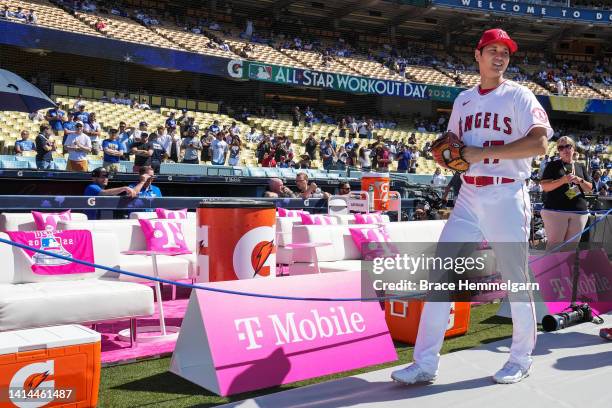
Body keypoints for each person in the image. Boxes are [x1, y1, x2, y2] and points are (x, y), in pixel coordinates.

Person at [391, 28, 551, 386]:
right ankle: (424, 364)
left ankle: (521, 358)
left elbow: (540, 144)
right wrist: (452, 158)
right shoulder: (463, 100)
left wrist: (484, 153)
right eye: (492, 50)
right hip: (469, 195)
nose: (499, 56)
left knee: (515, 278)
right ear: (477, 55)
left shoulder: (519, 96)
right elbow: (456, 149)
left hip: (507, 193)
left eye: (505, 52)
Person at [540, 136, 592, 251]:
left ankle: (567, 270)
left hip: (579, 212)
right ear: (558, 150)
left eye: (567, 146)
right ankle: (551, 269)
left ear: (573, 148)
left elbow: (589, 188)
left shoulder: (580, 166)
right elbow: (545, 186)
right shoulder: (553, 165)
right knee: (554, 248)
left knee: (571, 249)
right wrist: (562, 180)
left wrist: (580, 180)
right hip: (556, 211)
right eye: (561, 147)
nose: (565, 150)